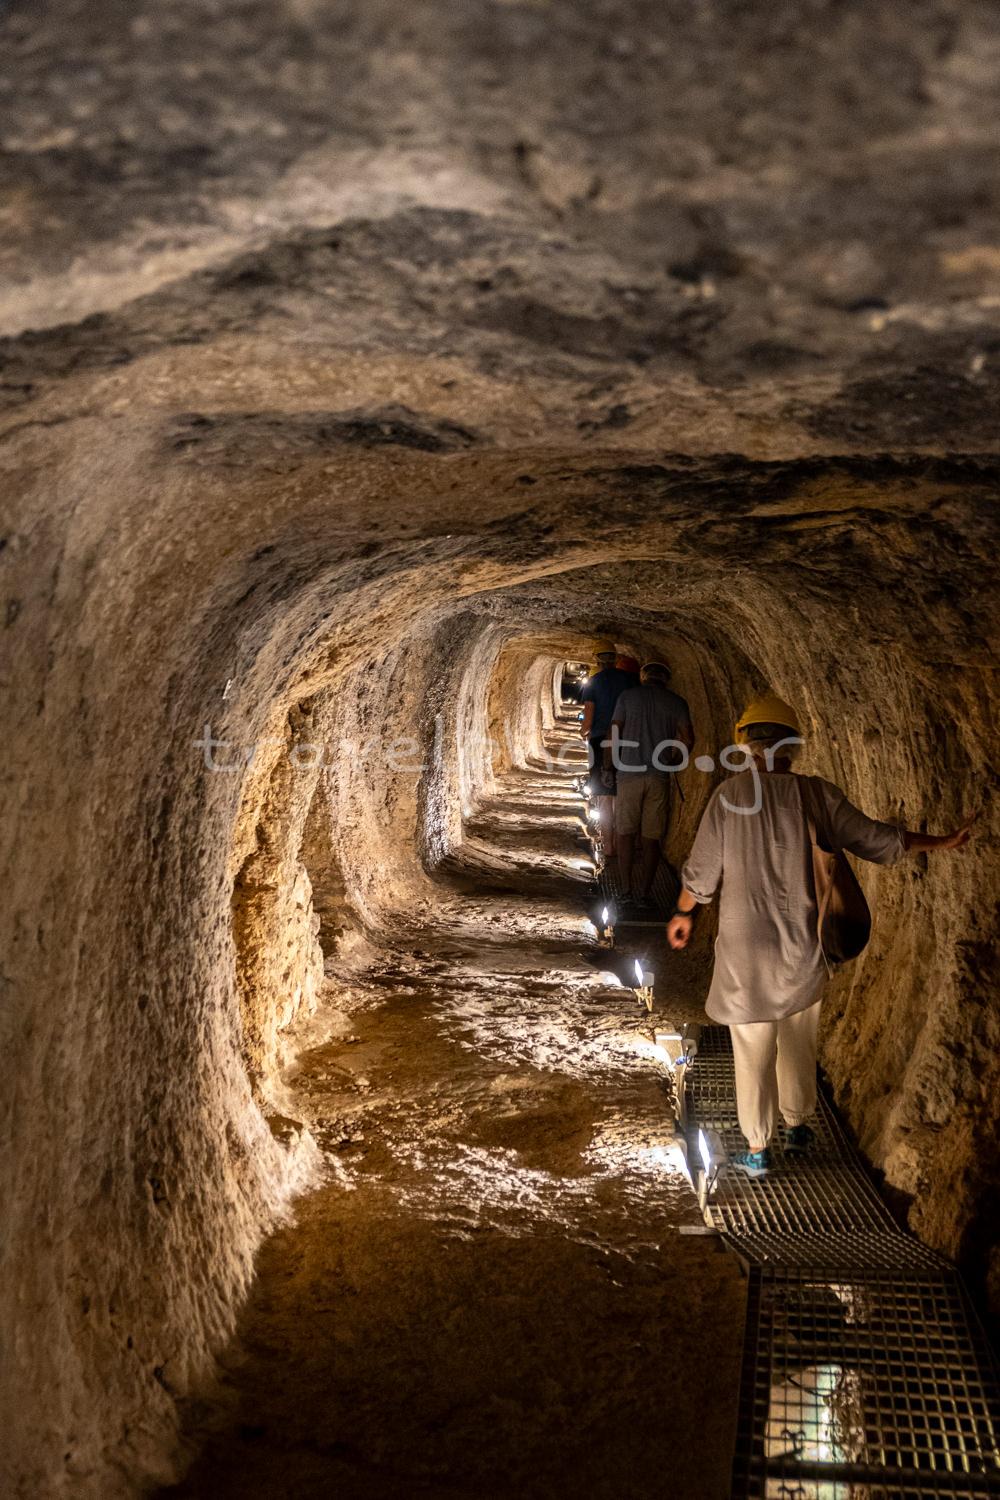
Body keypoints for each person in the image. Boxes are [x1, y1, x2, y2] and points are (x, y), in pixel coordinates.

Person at [667, 694, 976, 1179]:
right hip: (802, 945)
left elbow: (701, 876)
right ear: (793, 746)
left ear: (745, 744)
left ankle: (758, 1148)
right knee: (798, 1038)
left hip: (745, 949)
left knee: (752, 1050)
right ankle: (797, 1126)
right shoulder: (816, 795)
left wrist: (683, 915)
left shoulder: (728, 795)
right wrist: (941, 841)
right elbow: (876, 838)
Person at [605, 660, 694, 909]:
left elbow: (614, 733)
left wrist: (607, 766)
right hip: (658, 776)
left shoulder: (627, 697)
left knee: (625, 834)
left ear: (644, 676)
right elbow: (688, 739)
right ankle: (645, 894)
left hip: (628, 773)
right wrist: (675, 761)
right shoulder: (677, 702)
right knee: (651, 839)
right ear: (666, 678)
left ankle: (625, 891)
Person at [579, 639, 636, 834]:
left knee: (604, 793)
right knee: (622, 790)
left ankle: (608, 843)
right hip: (626, 739)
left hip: (600, 739)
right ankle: (623, 837)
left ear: (597, 659)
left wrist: (583, 731)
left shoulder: (594, 682)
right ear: (616, 658)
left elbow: (588, 716)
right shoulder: (630, 680)